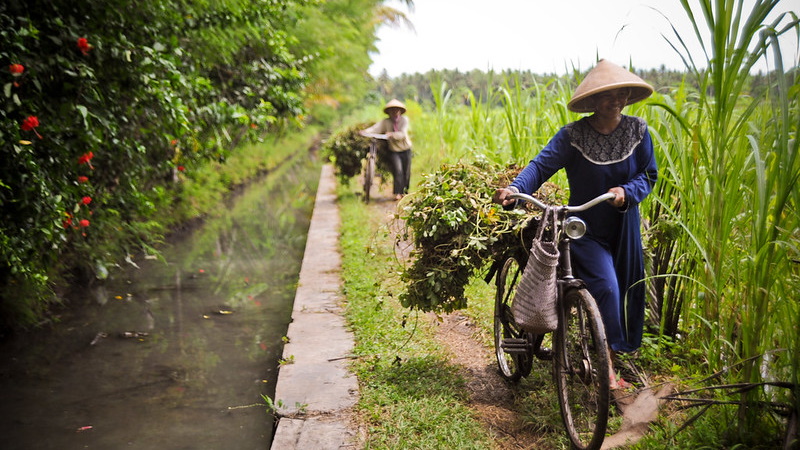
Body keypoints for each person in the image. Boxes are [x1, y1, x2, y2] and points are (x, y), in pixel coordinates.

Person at [493, 59, 658, 390]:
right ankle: (607, 370)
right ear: (593, 101)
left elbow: (649, 175)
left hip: (624, 228)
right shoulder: (573, 136)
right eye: (609, 95)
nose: (617, 99)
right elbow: (540, 166)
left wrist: (628, 191)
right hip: (584, 228)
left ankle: (611, 350)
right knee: (608, 288)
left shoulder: (638, 131)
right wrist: (515, 189)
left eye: (622, 93)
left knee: (629, 290)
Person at [361, 98, 413, 200]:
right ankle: (397, 193)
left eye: (396, 109)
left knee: (406, 171)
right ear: (388, 112)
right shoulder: (386, 122)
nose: (394, 112)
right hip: (394, 151)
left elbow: (402, 134)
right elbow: (375, 128)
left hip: (406, 149)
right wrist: (364, 132)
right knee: (398, 170)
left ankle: (405, 192)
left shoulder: (404, 120)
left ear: (400, 111)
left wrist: (392, 135)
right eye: (392, 110)